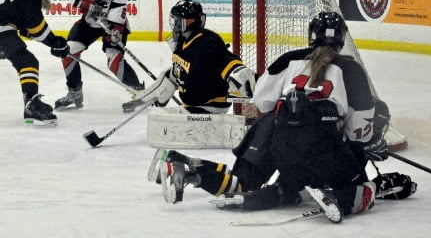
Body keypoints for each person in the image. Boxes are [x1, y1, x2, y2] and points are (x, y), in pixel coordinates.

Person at [157, 12, 416, 221]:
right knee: (362, 187)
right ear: (340, 39)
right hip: (321, 149)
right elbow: (359, 131)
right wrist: (371, 145)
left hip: (277, 139)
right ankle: (337, 197)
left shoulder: (287, 60)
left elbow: (261, 102)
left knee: (242, 182)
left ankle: (191, 170)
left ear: (310, 36)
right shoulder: (351, 68)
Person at [54, 0, 144, 110]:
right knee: (69, 51)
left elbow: (119, 3)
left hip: (114, 23)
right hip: (90, 21)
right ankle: (75, 92)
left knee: (114, 61)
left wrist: (115, 26)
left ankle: (139, 92)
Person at [128, 0, 255, 113]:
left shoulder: (207, 43)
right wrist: (148, 99)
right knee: (170, 74)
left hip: (208, 108)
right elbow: (175, 74)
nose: (175, 24)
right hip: (192, 106)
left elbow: (225, 60)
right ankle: (145, 97)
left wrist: (239, 73)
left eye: (177, 20)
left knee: (158, 121)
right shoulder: (183, 41)